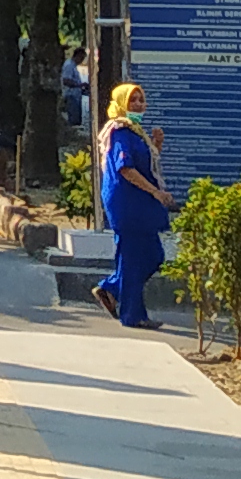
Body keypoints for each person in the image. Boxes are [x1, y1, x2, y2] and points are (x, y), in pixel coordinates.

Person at [93, 83, 171, 328]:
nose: (138, 104)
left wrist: (156, 145)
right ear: (121, 104)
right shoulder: (119, 132)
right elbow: (125, 168)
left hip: (139, 204)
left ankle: (111, 288)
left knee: (152, 255)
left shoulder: (135, 132)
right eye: (132, 100)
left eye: (140, 99)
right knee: (134, 257)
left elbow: (145, 164)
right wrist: (155, 192)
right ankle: (133, 315)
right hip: (127, 204)